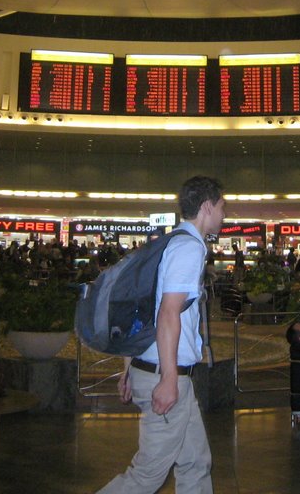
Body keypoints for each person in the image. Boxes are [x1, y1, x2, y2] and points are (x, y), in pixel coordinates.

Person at [97, 175, 224, 494]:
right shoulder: (188, 248)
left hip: (153, 370)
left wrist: (128, 369)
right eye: (222, 207)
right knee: (147, 475)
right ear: (207, 207)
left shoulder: (166, 243)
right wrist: (168, 380)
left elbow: (138, 308)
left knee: (195, 460)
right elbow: (168, 313)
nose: (224, 214)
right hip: (166, 377)